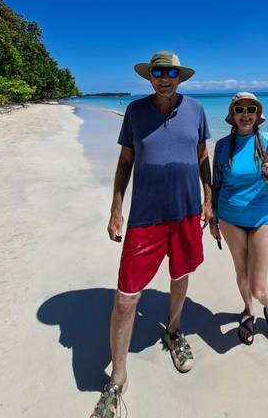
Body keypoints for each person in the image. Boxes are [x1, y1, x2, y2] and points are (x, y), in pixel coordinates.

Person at [90, 51, 213, 418]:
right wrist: (115, 209)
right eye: (158, 72)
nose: (164, 78)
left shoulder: (196, 111)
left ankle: (173, 332)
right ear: (149, 77)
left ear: (180, 77)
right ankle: (118, 377)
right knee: (126, 299)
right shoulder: (136, 112)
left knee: (180, 276)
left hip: (187, 213)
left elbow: (203, 157)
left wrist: (209, 198)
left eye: (171, 72)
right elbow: (126, 161)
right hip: (145, 218)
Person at [210, 92, 268, 350]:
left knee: (258, 286)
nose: (245, 114)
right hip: (230, 217)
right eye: (239, 109)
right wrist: (213, 220)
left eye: (250, 109)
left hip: (263, 217)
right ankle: (247, 311)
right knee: (241, 275)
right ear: (232, 116)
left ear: (257, 114)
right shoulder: (222, 146)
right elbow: (216, 185)